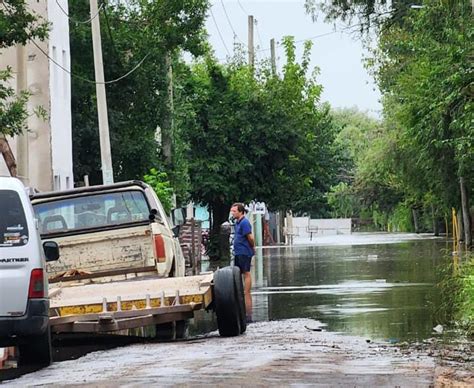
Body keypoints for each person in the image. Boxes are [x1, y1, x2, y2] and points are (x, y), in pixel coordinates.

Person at [230, 202, 255, 323]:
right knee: (238, 271)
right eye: (232, 211)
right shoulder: (237, 223)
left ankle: (246, 291)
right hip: (238, 251)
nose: (232, 213)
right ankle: (241, 290)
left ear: (240, 211)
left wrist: (252, 247)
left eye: (234, 211)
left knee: (246, 272)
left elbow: (250, 237)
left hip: (244, 251)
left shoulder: (245, 222)